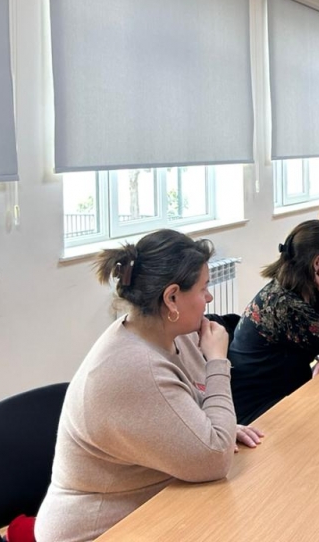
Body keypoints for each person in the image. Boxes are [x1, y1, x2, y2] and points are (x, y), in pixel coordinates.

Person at [36, 230, 262, 542]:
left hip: (156, 503)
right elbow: (215, 460)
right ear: (171, 298)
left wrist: (210, 427)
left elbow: (190, 415)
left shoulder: (172, 333)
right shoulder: (134, 367)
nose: (209, 298)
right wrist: (217, 362)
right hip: (101, 531)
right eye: (203, 288)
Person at [229, 221, 319, 423]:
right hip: (259, 409)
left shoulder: (312, 288)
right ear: (318, 262)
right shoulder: (284, 303)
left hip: (288, 390)